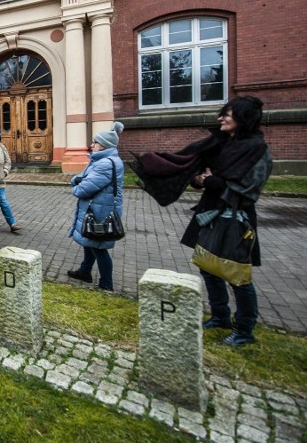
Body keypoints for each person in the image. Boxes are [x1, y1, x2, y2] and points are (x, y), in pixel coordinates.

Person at [133, 96, 272, 346]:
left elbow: (249, 189)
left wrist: (211, 182)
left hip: (235, 219)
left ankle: (245, 330)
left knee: (238, 275)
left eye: (227, 114)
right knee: (208, 267)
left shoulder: (257, 150)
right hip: (211, 213)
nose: (221, 118)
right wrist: (201, 180)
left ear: (243, 118)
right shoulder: (221, 144)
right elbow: (205, 176)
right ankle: (220, 316)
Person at [66, 122, 125, 291]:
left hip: (101, 211)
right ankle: (85, 271)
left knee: (98, 247)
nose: (91, 145)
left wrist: (75, 186)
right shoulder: (100, 160)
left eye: (95, 142)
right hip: (98, 207)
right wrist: (77, 180)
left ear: (104, 145)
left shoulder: (105, 163)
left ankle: (107, 284)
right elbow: (81, 177)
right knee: (89, 241)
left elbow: (84, 188)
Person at [0, 127, 22, 233]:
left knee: (3, 202)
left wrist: (5, 172)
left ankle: (12, 224)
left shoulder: (1, 147)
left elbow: (8, 161)